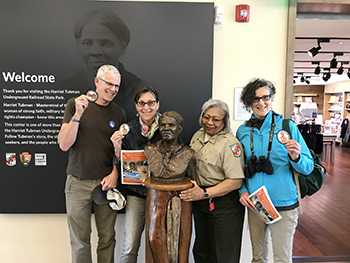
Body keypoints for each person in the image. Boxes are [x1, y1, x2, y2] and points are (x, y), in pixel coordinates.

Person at [236, 78, 314, 263]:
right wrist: (242, 190)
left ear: (272, 98)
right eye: (255, 99)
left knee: (282, 258)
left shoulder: (287, 127)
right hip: (256, 203)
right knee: (257, 258)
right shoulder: (242, 131)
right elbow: (239, 167)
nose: (261, 102)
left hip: (284, 203)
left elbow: (308, 167)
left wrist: (296, 157)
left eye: (265, 97)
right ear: (249, 102)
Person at [58, 65, 126, 263]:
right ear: (97, 82)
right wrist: (77, 115)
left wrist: (115, 172)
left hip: (106, 184)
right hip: (77, 183)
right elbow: (64, 144)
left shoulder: (119, 113)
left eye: (117, 86)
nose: (113, 89)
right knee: (79, 241)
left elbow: (120, 152)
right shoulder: (75, 104)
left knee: (107, 239)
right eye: (109, 84)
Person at [179, 98, 245, 263]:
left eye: (216, 119)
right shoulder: (197, 136)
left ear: (224, 121)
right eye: (206, 117)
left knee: (223, 255)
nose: (210, 122)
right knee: (201, 251)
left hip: (223, 206)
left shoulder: (231, 144)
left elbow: (235, 181)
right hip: (200, 204)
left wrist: (205, 193)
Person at [60, 8, 146, 121]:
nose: (95, 52)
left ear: (123, 47)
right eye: (87, 43)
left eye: (106, 44)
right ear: (78, 45)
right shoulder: (63, 88)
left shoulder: (139, 89)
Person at [110, 86, 162, 263]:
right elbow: (119, 163)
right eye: (141, 103)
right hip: (136, 195)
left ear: (157, 104)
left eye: (151, 103)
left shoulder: (168, 127)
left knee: (159, 245)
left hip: (161, 195)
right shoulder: (128, 130)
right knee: (129, 246)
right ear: (136, 105)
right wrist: (117, 148)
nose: (146, 107)